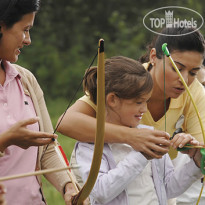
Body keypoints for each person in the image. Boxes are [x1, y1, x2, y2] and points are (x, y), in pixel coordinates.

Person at [57, 27, 205, 205]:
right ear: (153, 57)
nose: (185, 79)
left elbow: (168, 187)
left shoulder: (152, 133)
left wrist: (196, 161)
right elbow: (100, 192)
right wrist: (138, 147)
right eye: (177, 68)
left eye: (194, 72)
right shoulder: (127, 81)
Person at [0, 0, 76, 204]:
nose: (28, 40)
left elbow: (48, 147)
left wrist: (68, 185)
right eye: (25, 30)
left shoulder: (25, 80)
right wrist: (5, 140)